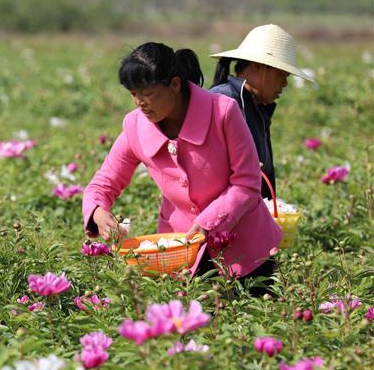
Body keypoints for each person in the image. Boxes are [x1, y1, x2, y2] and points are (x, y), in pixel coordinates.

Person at [82, 42, 281, 291]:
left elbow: (247, 182)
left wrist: (209, 222)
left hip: (246, 252)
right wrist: (98, 212)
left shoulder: (223, 112)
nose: (139, 102)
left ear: (175, 84)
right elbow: (104, 182)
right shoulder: (135, 126)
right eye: (133, 93)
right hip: (180, 254)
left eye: (147, 93)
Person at [209, 24, 314, 199]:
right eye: (282, 75)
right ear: (259, 67)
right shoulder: (223, 100)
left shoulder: (256, 106)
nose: (285, 84)